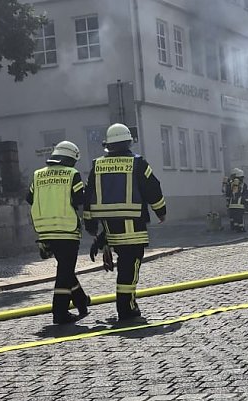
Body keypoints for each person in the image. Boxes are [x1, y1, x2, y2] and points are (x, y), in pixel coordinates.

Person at [83, 123, 166, 325]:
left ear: (108, 145)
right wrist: (161, 211)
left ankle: (126, 305)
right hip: (133, 227)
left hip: (110, 229)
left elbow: (89, 196)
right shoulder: (137, 163)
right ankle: (126, 308)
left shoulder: (97, 165)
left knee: (125, 267)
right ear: (128, 142)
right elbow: (153, 188)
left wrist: (92, 227)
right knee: (130, 267)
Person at [27, 140, 90, 325]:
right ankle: (60, 313)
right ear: (71, 159)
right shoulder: (72, 174)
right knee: (64, 271)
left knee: (66, 269)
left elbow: (29, 198)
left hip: (45, 231)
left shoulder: (38, 175)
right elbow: (81, 200)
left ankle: (81, 301)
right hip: (67, 231)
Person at [224, 168, 248, 232]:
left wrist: (228, 202)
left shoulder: (230, 183)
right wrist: (247, 203)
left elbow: (228, 193)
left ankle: (235, 227)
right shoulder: (244, 184)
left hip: (232, 204)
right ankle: (241, 228)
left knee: (234, 216)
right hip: (240, 204)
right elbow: (246, 194)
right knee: (240, 217)